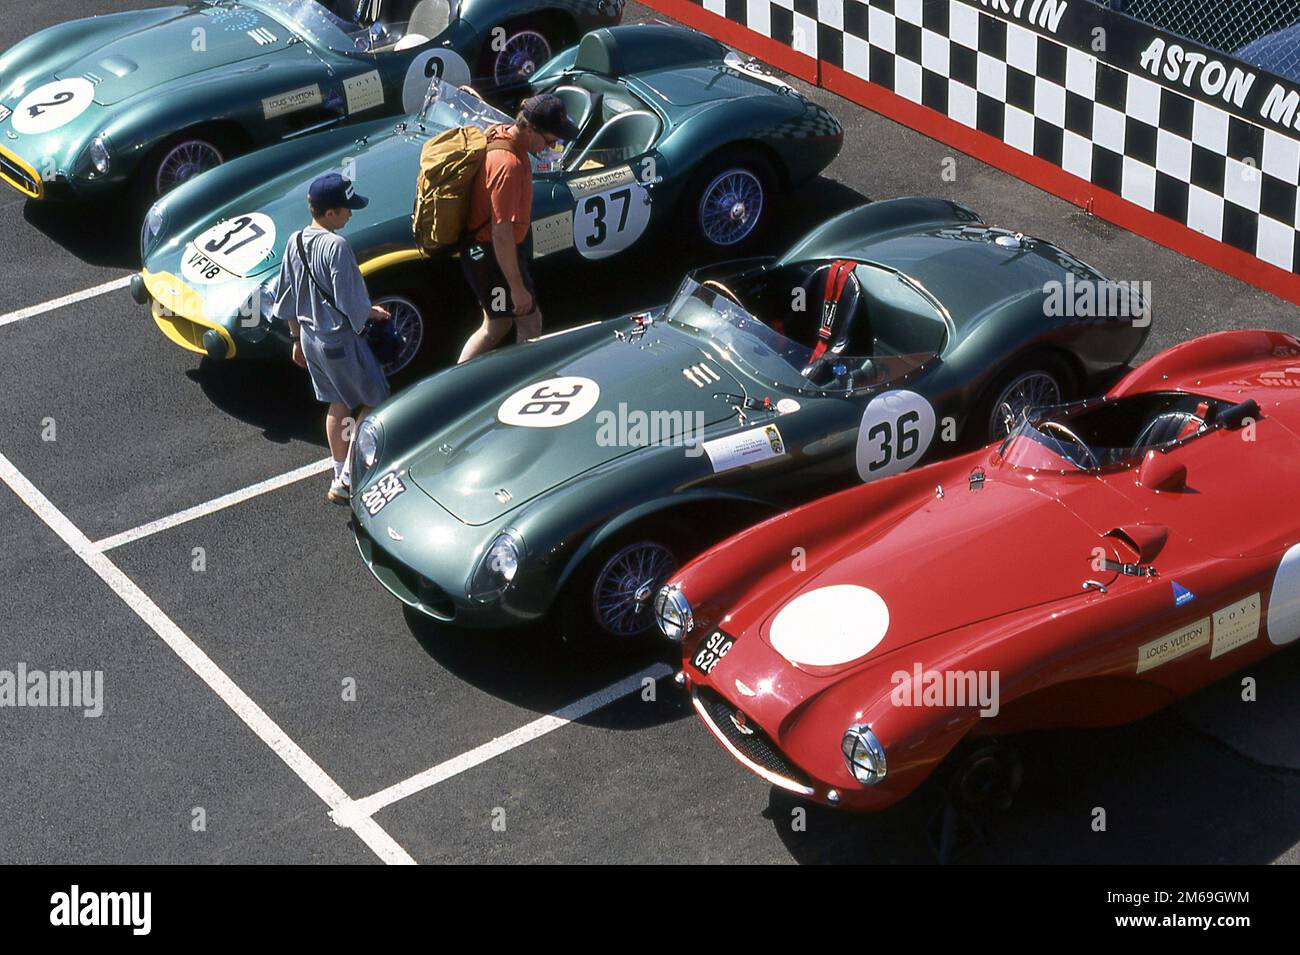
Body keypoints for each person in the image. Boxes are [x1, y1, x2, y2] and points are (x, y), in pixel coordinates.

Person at [270, 172, 391, 504]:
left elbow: (286, 299)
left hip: (309, 339)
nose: (350, 214)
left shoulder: (295, 242)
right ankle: (349, 478)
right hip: (339, 341)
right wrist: (374, 313)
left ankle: (338, 469)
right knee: (374, 400)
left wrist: (296, 340)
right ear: (330, 212)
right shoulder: (337, 246)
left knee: (338, 403)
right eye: (346, 209)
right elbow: (351, 303)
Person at [457, 94, 578, 364]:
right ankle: (520, 382)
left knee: (497, 325)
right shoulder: (507, 166)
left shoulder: (502, 133)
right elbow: (501, 233)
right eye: (550, 140)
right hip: (492, 256)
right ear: (528, 129)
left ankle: (457, 380)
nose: (554, 146)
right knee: (529, 323)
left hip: (487, 252)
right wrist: (516, 287)